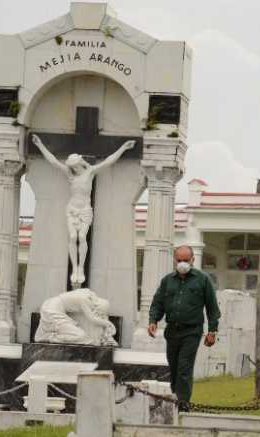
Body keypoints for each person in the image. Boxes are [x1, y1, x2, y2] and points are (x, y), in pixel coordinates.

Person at [31, 134, 135, 286]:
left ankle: (81, 267)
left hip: (85, 210)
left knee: (82, 237)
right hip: (72, 209)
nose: (75, 167)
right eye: (74, 165)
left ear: (79, 163)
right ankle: (75, 268)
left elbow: (108, 161)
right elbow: (53, 161)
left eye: (76, 164)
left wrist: (123, 148)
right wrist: (40, 145)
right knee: (73, 237)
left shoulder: (90, 172)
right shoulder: (70, 175)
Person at [147, 245, 221, 411]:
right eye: (179, 260)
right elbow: (158, 303)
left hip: (192, 331)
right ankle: (175, 400)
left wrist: (212, 331)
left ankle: (183, 404)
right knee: (173, 367)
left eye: (186, 260)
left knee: (184, 367)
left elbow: (212, 308)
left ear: (193, 260)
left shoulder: (203, 279)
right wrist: (153, 320)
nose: (182, 263)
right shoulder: (167, 281)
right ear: (175, 260)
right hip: (172, 330)